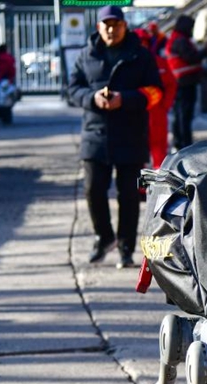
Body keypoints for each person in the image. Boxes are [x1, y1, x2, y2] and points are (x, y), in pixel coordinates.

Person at [67, 5, 163, 269]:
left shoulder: (141, 56)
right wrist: (92, 98)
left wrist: (126, 99)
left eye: (116, 24)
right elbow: (73, 89)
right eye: (106, 25)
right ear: (99, 27)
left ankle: (125, 247)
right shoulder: (86, 55)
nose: (111, 29)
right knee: (92, 190)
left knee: (129, 196)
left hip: (130, 134)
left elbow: (156, 92)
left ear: (124, 26)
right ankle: (104, 237)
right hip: (95, 135)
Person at [135, 27, 177, 167]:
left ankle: (160, 184)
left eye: (145, 42)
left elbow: (171, 84)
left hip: (157, 113)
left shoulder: (160, 62)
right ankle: (140, 188)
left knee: (159, 152)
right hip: (134, 115)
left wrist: (165, 105)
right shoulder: (127, 66)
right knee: (137, 155)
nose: (142, 45)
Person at [165, 14, 207, 151]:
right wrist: (206, 50)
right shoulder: (181, 40)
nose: (192, 29)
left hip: (180, 82)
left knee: (180, 115)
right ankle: (185, 144)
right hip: (185, 83)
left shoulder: (175, 39)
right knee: (184, 116)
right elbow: (192, 57)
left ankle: (180, 143)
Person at [0, 44, 16, 125]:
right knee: (8, 99)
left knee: (0, 98)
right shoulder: (9, 58)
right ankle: (7, 117)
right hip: (7, 80)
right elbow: (12, 69)